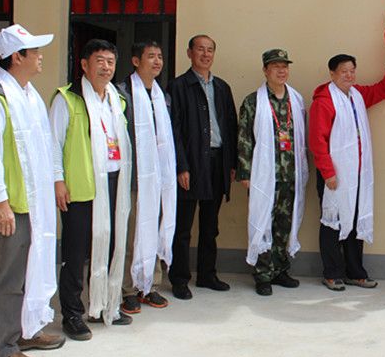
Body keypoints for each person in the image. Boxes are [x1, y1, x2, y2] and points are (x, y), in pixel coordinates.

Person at [0, 24, 64, 357]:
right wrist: (1, 203)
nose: (40, 57)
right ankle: (1, 349)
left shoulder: (28, 94)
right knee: (6, 277)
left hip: (31, 202)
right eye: (34, 51)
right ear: (16, 57)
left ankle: (26, 329)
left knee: (28, 270)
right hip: (9, 206)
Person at [50, 39, 133, 341]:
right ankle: (72, 313)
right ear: (84, 65)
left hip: (112, 184)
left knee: (110, 246)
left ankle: (104, 305)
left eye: (111, 62)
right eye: (100, 61)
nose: (106, 67)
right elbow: (53, 143)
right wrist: (58, 180)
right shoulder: (68, 98)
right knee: (76, 253)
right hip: (80, 188)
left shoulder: (116, 99)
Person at [309, 51, 385, 291]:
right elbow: (317, 141)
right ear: (332, 74)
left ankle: (355, 272)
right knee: (333, 223)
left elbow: (383, 90)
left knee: (355, 220)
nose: (349, 75)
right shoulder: (324, 101)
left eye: (352, 71)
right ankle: (332, 273)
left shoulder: (357, 96)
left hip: (358, 174)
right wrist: (328, 173)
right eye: (343, 71)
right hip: (334, 175)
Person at [168, 35, 237, 300]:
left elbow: (230, 127)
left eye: (210, 50)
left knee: (211, 225)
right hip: (192, 163)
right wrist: (181, 166)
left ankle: (207, 274)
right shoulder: (178, 86)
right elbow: (173, 130)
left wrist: (231, 163)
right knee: (183, 227)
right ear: (189, 53)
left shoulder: (222, 87)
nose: (205, 54)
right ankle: (179, 279)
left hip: (217, 162)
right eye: (200, 49)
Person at [237, 49, 309, 296]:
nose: (281, 71)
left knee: (284, 225)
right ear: (265, 70)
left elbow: (302, 138)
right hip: (264, 175)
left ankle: (280, 270)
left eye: (284, 66)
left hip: (290, 175)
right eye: (276, 66)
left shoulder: (296, 100)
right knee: (262, 222)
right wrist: (245, 173)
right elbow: (244, 139)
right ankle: (262, 275)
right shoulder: (253, 102)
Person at [117, 42, 176, 314]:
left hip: (158, 177)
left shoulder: (162, 96)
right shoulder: (122, 93)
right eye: (150, 56)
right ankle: (128, 288)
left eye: (160, 57)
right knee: (132, 233)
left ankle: (150, 285)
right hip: (133, 177)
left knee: (154, 228)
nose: (157, 61)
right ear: (135, 61)